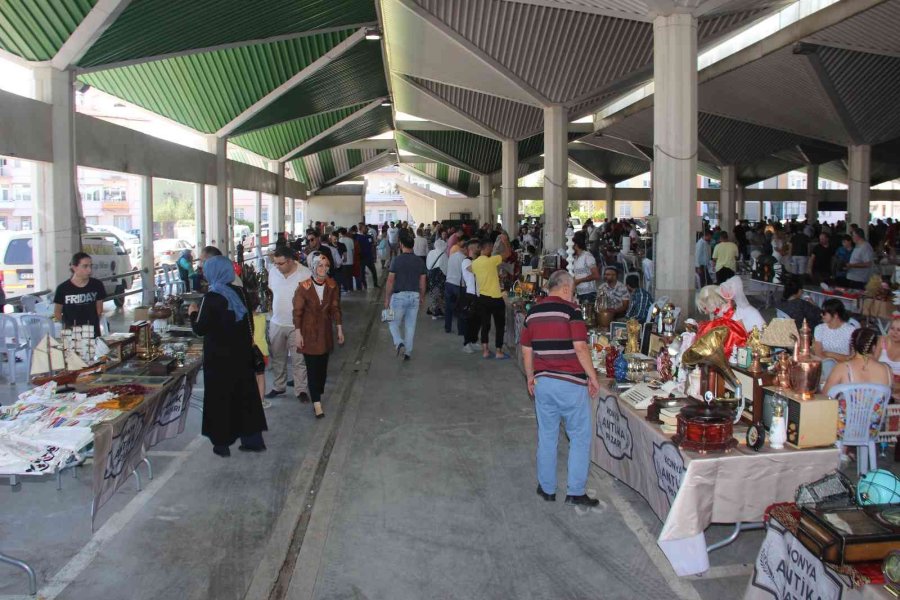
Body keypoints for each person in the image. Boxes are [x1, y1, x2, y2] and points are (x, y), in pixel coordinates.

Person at [520, 270, 600, 508]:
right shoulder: (571, 311)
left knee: (547, 435)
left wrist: (530, 377)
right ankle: (575, 491)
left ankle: (546, 488)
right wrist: (593, 377)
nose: (573, 295)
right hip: (571, 384)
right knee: (579, 437)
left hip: (544, 383)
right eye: (573, 291)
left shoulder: (532, 312)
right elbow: (580, 347)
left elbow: (526, 349)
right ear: (566, 289)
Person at [188, 256, 267, 456]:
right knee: (245, 396)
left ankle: (222, 443)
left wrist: (192, 313)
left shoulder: (211, 298)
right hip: (241, 355)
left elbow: (200, 328)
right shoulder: (240, 293)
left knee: (220, 398)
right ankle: (252, 439)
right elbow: (247, 320)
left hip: (219, 359)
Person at [292, 253, 344, 419]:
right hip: (308, 333)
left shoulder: (332, 285)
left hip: (325, 333)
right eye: (320, 266)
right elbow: (297, 313)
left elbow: (335, 308)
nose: (323, 269)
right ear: (313, 268)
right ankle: (317, 403)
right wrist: (298, 333)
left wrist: (340, 328)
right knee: (312, 369)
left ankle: (317, 391)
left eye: (326, 266)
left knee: (322, 369)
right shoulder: (304, 287)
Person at [265, 247, 312, 403]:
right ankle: (279, 386)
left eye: (281, 263)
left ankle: (301, 390)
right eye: (276, 263)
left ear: (291, 261)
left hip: (297, 325)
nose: (277, 266)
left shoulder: (305, 274)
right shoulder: (273, 272)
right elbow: (273, 291)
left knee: (299, 359)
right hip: (277, 322)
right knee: (278, 357)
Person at [384, 232, 426, 361]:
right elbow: (423, 282)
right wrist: (422, 296)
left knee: (392, 322)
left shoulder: (397, 260)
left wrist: (387, 298)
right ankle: (407, 352)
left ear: (401, 245)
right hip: (414, 296)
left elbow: (390, 281)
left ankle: (399, 342)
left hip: (398, 297)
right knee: (410, 325)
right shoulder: (419, 261)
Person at [470, 238, 512, 359]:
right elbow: (508, 253)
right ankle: (499, 351)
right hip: (496, 298)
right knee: (499, 326)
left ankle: (486, 351)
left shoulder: (475, 263)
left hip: (482, 298)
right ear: (487, 248)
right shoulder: (491, 260)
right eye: (491, 247)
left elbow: (473, 271)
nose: (492, 249)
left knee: (485, 325)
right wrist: (505, 241)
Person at [54, 252, 106, 337]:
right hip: (71, 334)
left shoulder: (97, 285)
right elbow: (57, 313)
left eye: (90, 266)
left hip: (92, 332)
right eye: (85, 266)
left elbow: (99, 309)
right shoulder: (62, 288)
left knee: (91, 350)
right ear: (74, 267)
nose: (89, 270)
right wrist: (69, 326)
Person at [460, 239, 481, 354]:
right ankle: (466, 343)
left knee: (478, 320)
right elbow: (474, 269)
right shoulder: (466, 262)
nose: (479, 249)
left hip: (479, 294)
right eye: (477, 247)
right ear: (471, 249)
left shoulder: (478, 260)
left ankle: (473, 341)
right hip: (471, 294)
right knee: (470, 320)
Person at [444, 238, 468, 336]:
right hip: (459, 285)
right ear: (465, 249)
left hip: (449, 283)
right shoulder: (464, 259)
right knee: (461, 308)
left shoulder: (452, 256)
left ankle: (447, 327)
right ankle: (461, 331)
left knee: (448, 308)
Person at [571, 232, 599, 304]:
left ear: (576, 244)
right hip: (580, 293)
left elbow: (596, 275)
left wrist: (579, 280)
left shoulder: (587, 256)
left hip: (589, 293)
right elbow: (577, 275)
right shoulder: (575, 258)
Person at [355, 223, 379, 289]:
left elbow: (372, 246)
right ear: (360, 229)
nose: (366, 229)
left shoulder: (369, 236)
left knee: (374, 271)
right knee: (362, 273)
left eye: (366, 228)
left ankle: (375, 284)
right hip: (362, 258)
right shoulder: (357, 237)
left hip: (369, 257)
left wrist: (374, 256)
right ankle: (365, 285)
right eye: (365, 228)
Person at [338, 228, 356, 292]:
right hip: (350, 260)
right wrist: (352, 258)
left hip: (343, 261)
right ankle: (350, 288)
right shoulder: (351, 240)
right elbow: (353, 251)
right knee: (350, 276)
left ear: (340, 233)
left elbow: (339, 251)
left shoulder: (340, 240)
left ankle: (346, 288)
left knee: (344, 276)